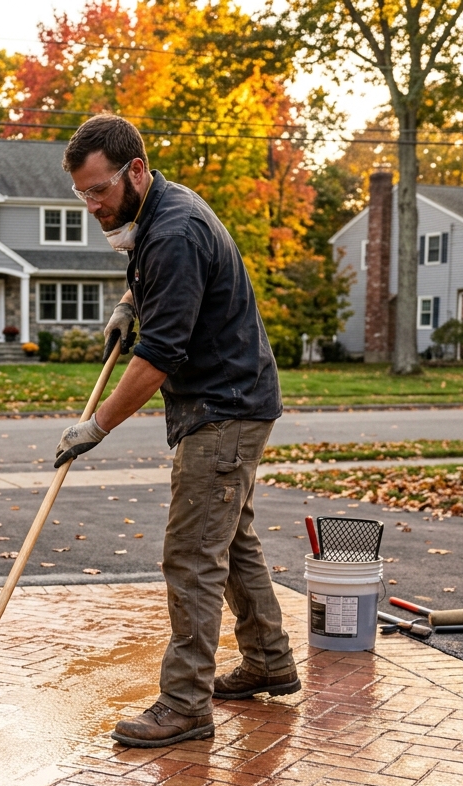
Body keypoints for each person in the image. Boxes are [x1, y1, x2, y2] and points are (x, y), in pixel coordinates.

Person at [55, 113, 299, 748]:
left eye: (99, 190)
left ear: (135, 170)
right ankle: (270, 660)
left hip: (223, 408)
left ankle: (186, 702)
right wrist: (128, 304)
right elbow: (159, 287)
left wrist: (95, 425)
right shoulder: (158, 211)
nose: (92, 204)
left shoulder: (174, 231)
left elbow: (159, 358)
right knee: (231, 540)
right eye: (81, 193)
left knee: (192, 555)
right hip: (232, 400)